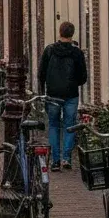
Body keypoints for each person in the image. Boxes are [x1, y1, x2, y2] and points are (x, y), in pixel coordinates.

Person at [38, 21, 88, 170]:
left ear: (59, 32)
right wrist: (73, 83)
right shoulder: (77, 53)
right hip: (71, 95)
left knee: (53, 126)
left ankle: (55, 161)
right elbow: (83, 77)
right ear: (72, 34)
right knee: (70, 126)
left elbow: (41, 73)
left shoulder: (49, 51)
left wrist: (43, 91)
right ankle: (66, 159)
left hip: (52, 94)